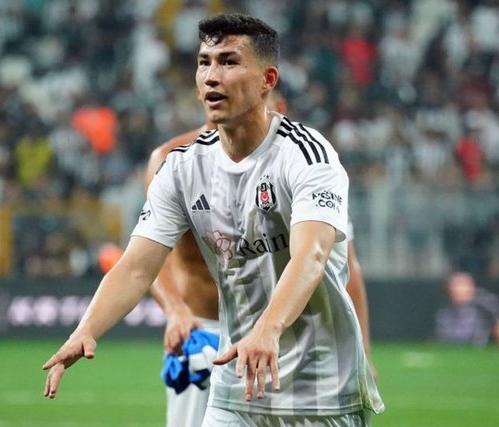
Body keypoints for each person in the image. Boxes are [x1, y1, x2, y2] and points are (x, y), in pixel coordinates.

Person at [43, 13, 384, 425]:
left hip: (320, 392)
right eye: (204, 62)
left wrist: (268, 329)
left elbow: (310, 256)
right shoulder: (181, 167)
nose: (211, 76)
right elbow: (136, 267)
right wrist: (86, 329)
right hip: (234, 385)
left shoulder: (308, 156)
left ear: (268, 80)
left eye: (229, 62)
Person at [146, 90, 376, 427]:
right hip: (201, 332)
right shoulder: (172, 161)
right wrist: (175, 311)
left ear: (274, 105)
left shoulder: (303, 166)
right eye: (208, 68)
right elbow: (146, 258)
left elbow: (341, 266)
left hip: (281, 333)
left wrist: (363, 350)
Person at [435, 271, 499, 347]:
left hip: (478, 348)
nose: (456, 289)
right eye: (454, 285)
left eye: (461, 285)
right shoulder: (443, 307)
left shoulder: (485, 304)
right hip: (451, 347)